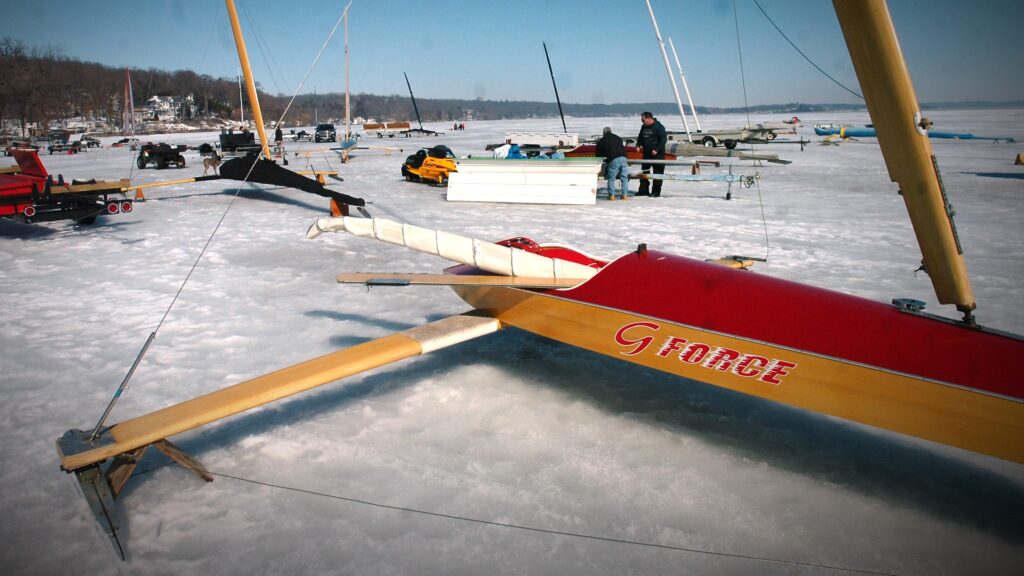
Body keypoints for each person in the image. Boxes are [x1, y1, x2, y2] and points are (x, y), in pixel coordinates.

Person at [636, 111, 667, 197]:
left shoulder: (659, 127)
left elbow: (663, 140)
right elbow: (640, 137)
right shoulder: (644, 126)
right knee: (644, 171)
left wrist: (657, 150)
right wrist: (638, 145)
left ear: (649, 118)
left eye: (643, 120)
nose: (642, 121)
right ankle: (643, 190)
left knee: (657, 173)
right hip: (646, 153)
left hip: (658, 154)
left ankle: (655, 192)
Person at [595, 127, 629, 200]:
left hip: (613, 159)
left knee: (611, 178)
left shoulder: (602, 141)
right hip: (623, 158)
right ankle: (625, 195)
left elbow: (598, 155)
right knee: (624, 177)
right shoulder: (618, 138)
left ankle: (612, 195)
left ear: (603, 133)